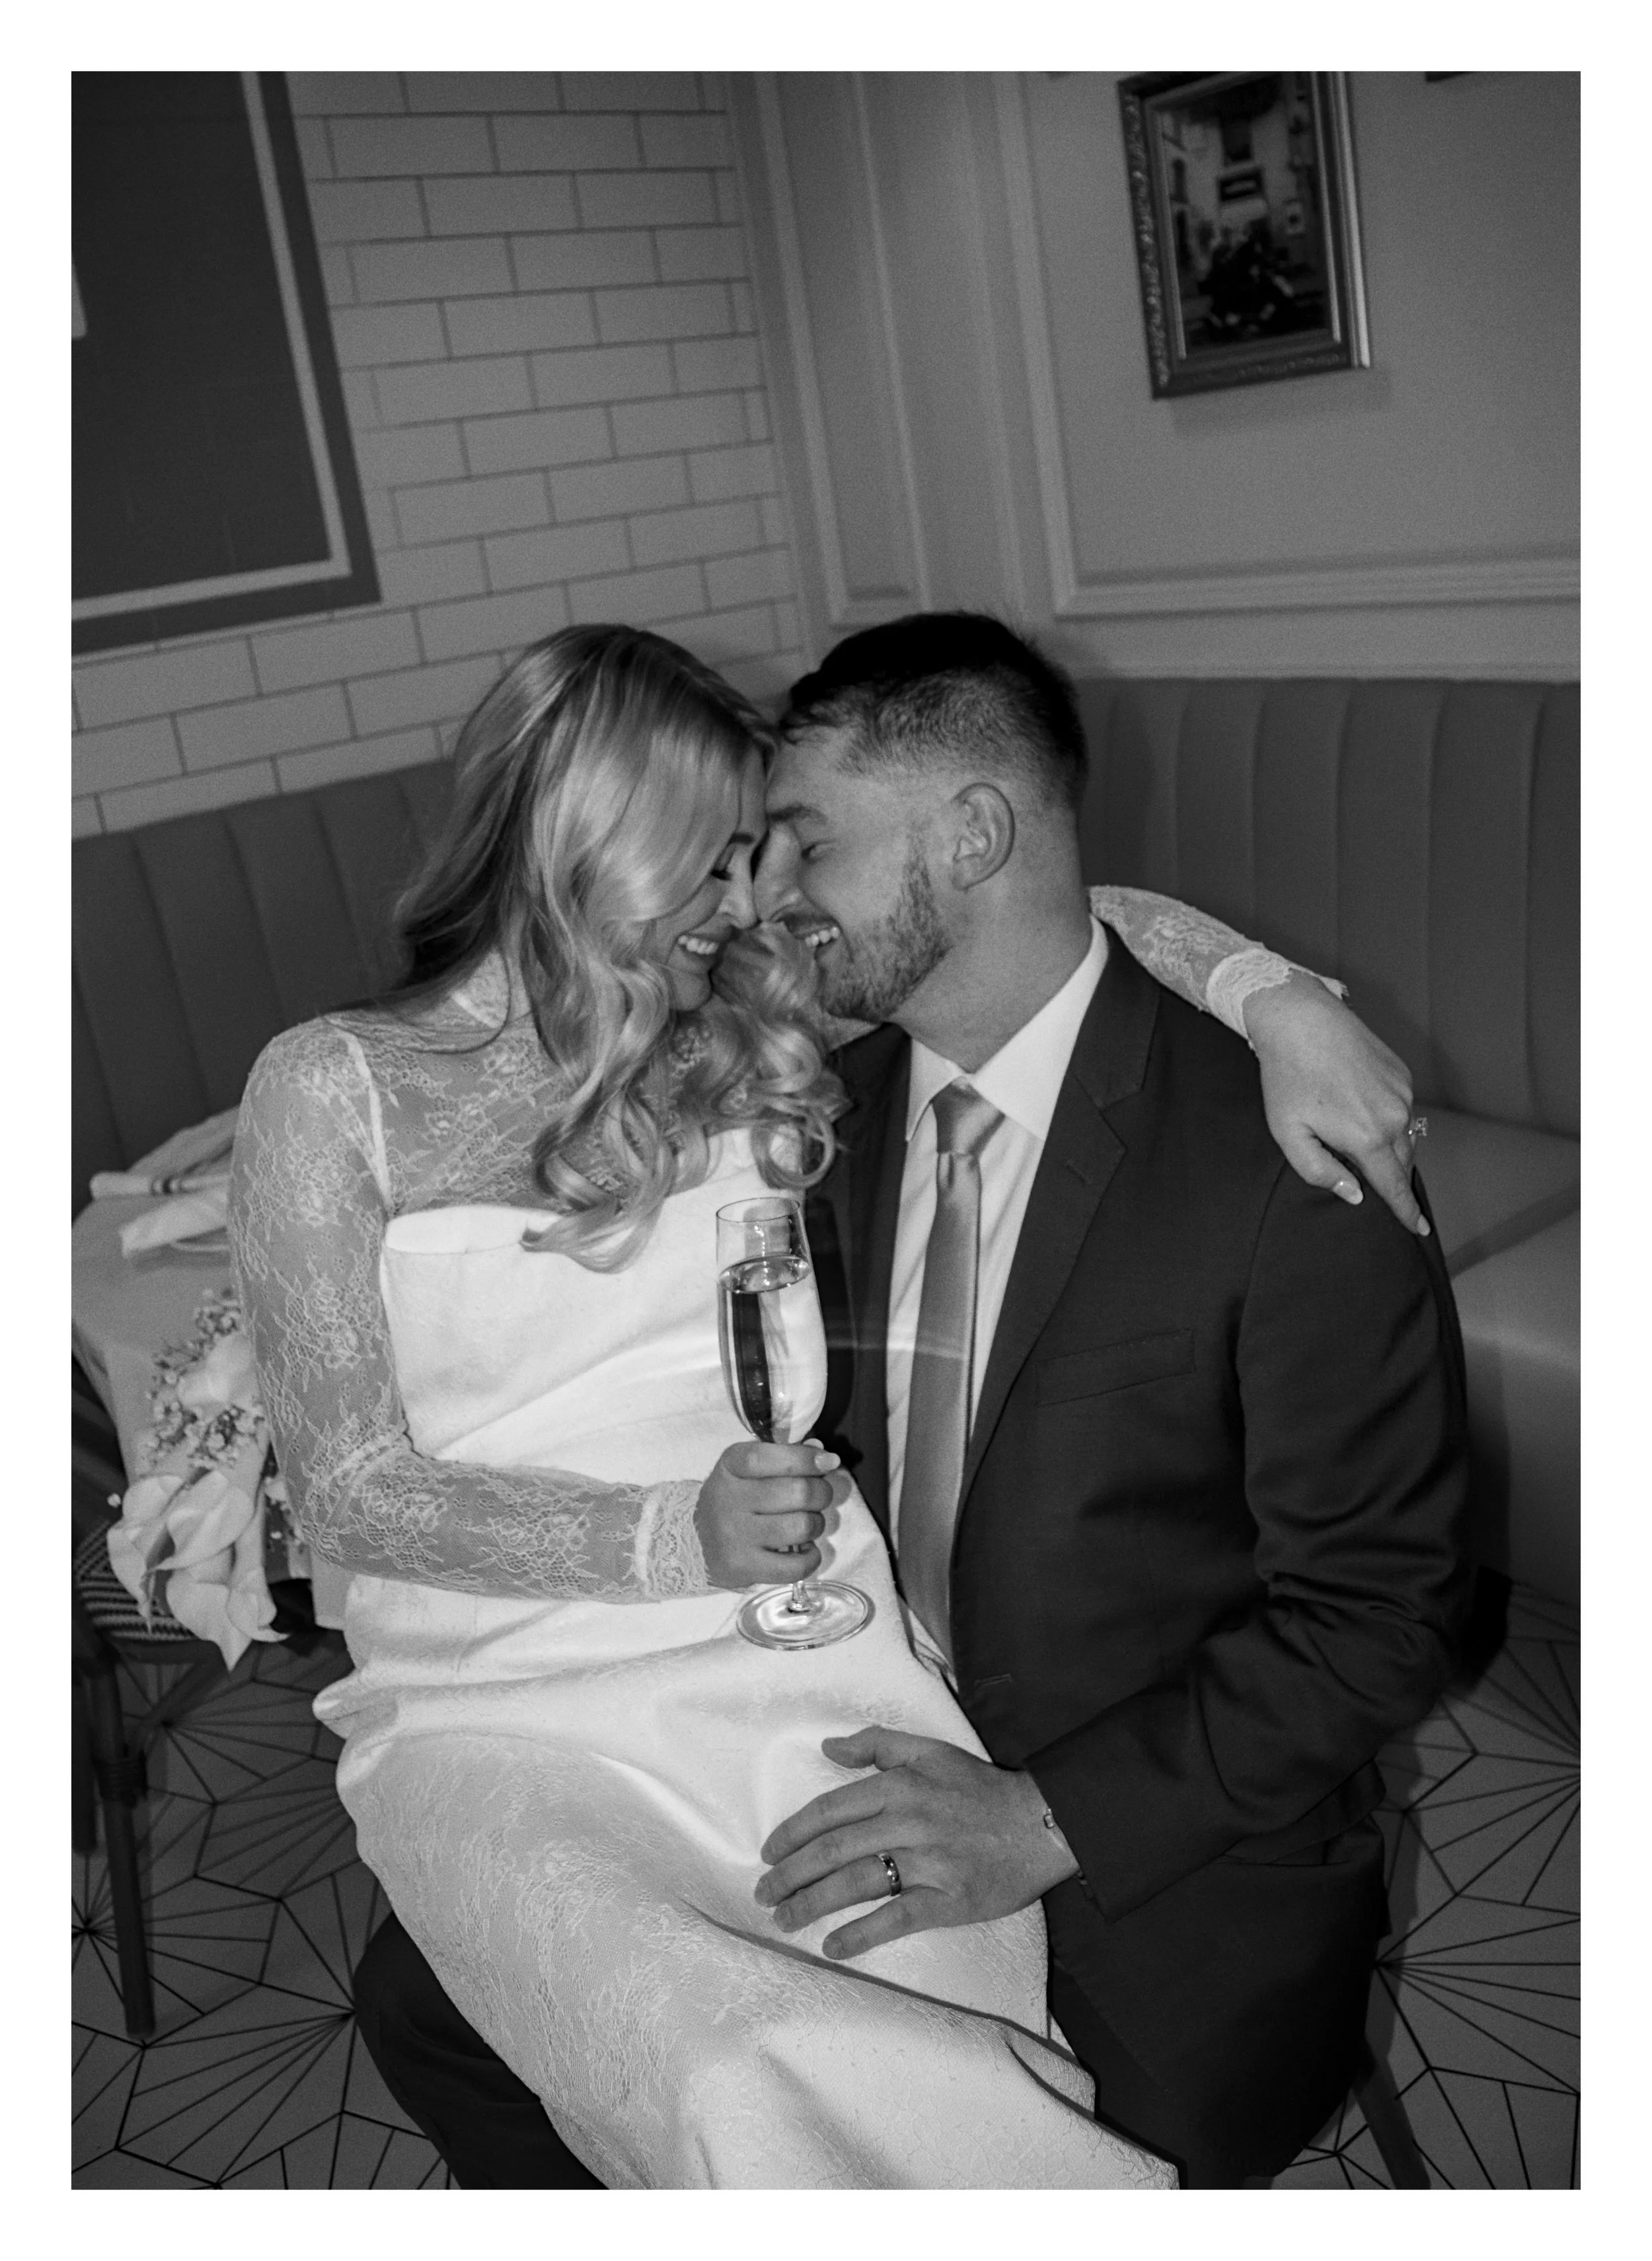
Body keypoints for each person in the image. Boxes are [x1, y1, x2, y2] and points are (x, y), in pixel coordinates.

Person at [232, 622, 1439, 2188]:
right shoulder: (430, 1080)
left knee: (791, 2065)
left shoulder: (754, 1050)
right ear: (595, 837)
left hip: (946, 1742)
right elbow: (347, 1494)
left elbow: (1048, 923)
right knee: (556, 2024)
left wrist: (1280, 1000)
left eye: (785, 851)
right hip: (609, 1671)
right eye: (733, 853)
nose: (758, 902)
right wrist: (679, 1542)